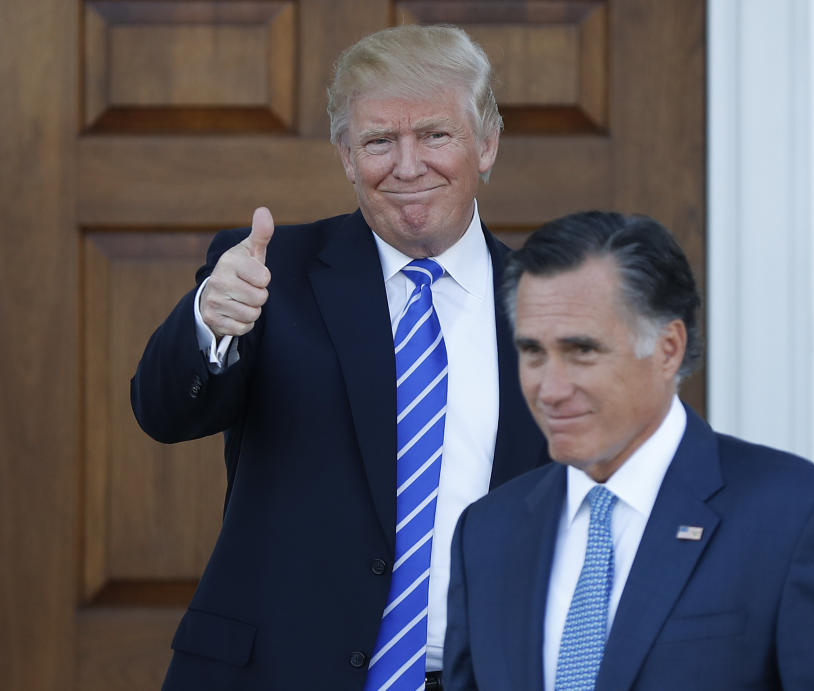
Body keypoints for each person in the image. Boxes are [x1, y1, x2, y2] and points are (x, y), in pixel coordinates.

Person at [131, 25, 545, 691]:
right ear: (347, 155)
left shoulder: (545, 301)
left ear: (487, 143)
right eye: (380, 140)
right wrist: (209, 318)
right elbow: (161, 411)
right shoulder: (272, 274)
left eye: (435, 135)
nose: (407, 166)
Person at [443, 211, 814, 690]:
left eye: (582, 351)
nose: (551, 388)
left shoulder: (800, 520)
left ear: (667, 348)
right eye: (534, 353)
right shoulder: (488, 533)